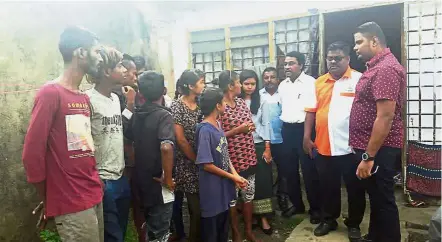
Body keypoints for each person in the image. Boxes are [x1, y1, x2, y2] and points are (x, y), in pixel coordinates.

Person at [22, 26, 104, 242]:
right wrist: (49, 197)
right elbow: (32, 155)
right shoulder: (51, 93)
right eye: (96, 52)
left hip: (93, 193)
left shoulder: (83, 97)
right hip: (71, 201)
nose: (100, 58)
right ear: (81, 53)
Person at [303, 41, 365, 240]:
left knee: (355, 188)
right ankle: (329, 219)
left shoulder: (359, 80)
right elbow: (311, 112)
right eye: (329, 58)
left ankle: (353, 223)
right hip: (324, 145)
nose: (332, 62)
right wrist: (306, 137)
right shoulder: (319, 82)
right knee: (328, 187)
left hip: (351, 147)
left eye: (337, 58)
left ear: (348, 59)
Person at [351, 21, 406, 242]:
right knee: (376, 197)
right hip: (373, 147)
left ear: (374, 41)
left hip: (379, 149)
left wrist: (368, 157)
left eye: (359, 42)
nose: (355, 47)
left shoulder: (385, 69)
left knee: (383, 200)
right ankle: (375, 236)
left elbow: (385, 117)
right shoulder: (376, 67)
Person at [85, 46, 134, 242]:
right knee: (112, 235)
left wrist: (129, 106)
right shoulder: (87, 100)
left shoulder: (115, 99)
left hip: (120, 176)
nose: (124, 70)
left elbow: (119, 126)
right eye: (120, 65)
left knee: (120, 231)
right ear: (106, 71)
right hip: (103, 180)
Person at [124, 71, 176, 242]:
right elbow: (167, 147)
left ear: (140, 93)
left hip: (142, 182)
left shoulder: (138, 114)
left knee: (151, 227)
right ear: (163, 90)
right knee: (161, 232)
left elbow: (128, 134)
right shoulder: (164, 115)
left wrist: (130, 105)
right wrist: (168, 178)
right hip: (159, 183)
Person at [195, 87, 246, 242]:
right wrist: (231, 176)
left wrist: (235, 175)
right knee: (212, 232)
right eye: (223, 101)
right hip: (211, 190)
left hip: (223, 189)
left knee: (223, 230)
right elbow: (206, 164)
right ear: (217, 105)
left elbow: (225, 153)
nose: (226, 104)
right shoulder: (204, 130)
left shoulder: (218, 124)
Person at [278, 51, 321, 223]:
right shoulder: (283, 85)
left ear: (301, 65)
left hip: (305, 130)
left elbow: (312, 110)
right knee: (289, 171)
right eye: (285, 64)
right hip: (287, 130)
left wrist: (307, 136)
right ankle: (297, 205)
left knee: (310, 171)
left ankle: (316, 208)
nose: (287, 67)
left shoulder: (311, 83)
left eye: (291, 63)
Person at [218, 70, 260, 242]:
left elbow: (248, 123)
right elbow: (216, 135)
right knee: (232, 200)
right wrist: (238, 130)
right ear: (230, 86)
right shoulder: (220, 106)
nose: (240, 85)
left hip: (248, 156)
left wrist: (249, 128)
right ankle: (236, 233)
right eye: (237, 82)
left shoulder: (242, 102)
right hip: (231, 162)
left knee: (249, 195)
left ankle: (249, 232)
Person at [171, 69, 206, 242]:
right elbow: (181, 139)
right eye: (201, 82)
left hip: (204, 160)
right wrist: (195, 159)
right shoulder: (177, 106)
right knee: (195, 209)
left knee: (204, 208)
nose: (204, 85)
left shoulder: (202, 103)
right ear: (190, 86)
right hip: (187, 163)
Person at [240, 69, 273, 235]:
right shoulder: (234, 102)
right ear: (240, 84)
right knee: (245, 181)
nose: (250, 87)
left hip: (258, 144)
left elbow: (266, 124)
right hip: (240, 146)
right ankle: (249, 215)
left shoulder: (262, 101)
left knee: (263, 181)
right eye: (246, 83)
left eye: (253, 83)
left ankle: (263, 217)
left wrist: (267, 148)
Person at [259, 67, 286, 213]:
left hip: (281, 140)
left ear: (277, 79)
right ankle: (266, 203)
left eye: (272, 77)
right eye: (266, 77)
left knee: (284, 172)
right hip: (264, 141)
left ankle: (282, 199)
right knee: (265, 173)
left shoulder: (283, 95)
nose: (269, 80)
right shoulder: (258, 95)